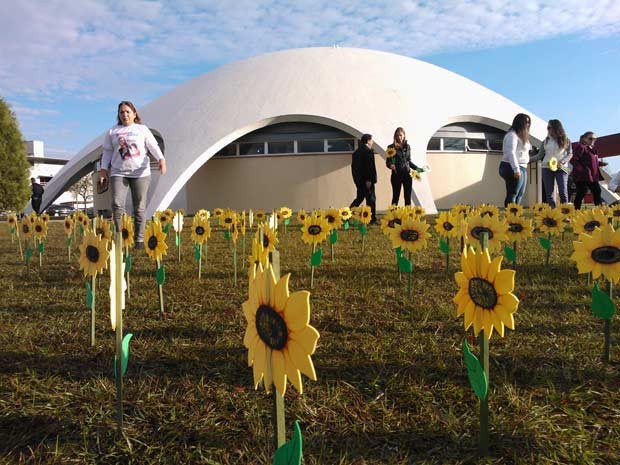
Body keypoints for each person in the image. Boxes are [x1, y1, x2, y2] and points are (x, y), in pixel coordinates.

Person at [98, 100, 166, 249]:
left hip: (140, 173)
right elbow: (107, 152)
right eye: (122, 112)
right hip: (118, 172)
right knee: (116, 204)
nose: (125, 115)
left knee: (139, 207)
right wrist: (103, 169)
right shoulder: (112, 131)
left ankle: (139, 240)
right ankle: (120, 237)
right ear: (118, 115)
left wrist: (161, 159)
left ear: (134, 114)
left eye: (128, 112)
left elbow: (152, 145)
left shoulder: (142, 129)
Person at [499, 113, 537, 206]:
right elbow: (511, 153)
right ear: (519, 123)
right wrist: (516, 169)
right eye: (526, 122)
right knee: (513, 193)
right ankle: (510, 215)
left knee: (520, 194)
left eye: (529, 122)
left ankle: (516, 215)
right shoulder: (512, 135)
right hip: (510, 166)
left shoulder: (523, 136)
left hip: (522, 166)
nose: (527, 124)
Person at [538, 119, 573, 207]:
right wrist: (527, 160)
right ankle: (553, 212)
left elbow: (570, 154)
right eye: (547, 128)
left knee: (563, 191)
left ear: (556, 128)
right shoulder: (545, 141)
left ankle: (565, 212)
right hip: (546, 168)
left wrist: (562, 162)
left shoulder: (566, 140)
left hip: (561, 167)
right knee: (549, 193)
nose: (548, 130)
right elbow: (539, 155)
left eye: (549, 127)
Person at [386, 127, 422, 206]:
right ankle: (392, 216)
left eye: (401, 135)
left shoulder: (408, 147)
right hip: (396, 175)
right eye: (397, 135)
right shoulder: (390, 147)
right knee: (396, 197)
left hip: (407, 175)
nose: (399, 137)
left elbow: (408, 161)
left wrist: (418, 169)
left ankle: (408, 216)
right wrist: (391, 165)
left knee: (407, 197)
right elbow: (388, 162)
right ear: (395, 136)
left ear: (404, 135)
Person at [571, 131, 606, 209]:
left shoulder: (591, 149)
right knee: (582, 192)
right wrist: (582, 170)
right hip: (582, 176)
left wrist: (600, 163)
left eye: (594, 139)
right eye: (590, 138)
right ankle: (575, 211)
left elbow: (591, 162)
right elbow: (573, 160)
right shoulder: (581, 147)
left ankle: (599, 211)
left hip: (592, 176)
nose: (592, 140)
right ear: (584, 139)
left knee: (597, 191)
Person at [349, 133, 377, 223]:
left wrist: (357, 180)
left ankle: (347, 214)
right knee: (371, 199)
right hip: (367, 181)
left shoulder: (356, 152)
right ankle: (371, 219)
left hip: (359, 181)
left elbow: (353, 168)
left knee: (359, 198)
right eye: (372, 140)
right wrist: (369, 179)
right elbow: (369, 166)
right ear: (368, 140)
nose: (372, 142)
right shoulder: (368, 151)